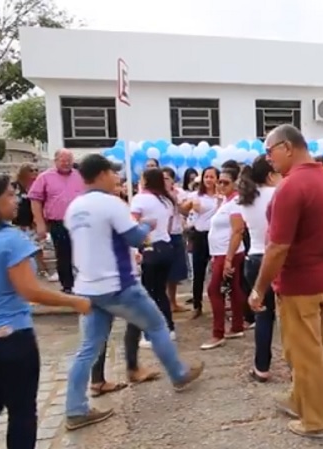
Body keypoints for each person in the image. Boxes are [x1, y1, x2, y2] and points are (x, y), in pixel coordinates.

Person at [63, 154, 204, 430]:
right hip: (118, 284)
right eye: (113, 173)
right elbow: (136, 238)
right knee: (156, 325)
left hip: (87, 287)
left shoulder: (75, 207)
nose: (117, 177)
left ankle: (74, 409)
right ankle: (178, 373)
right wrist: (147, 227)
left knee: (88, 348)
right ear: (102, 174)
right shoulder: (111, 204)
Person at [0, 173, 91, 448]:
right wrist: (75, 301)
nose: (17, 199)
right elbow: (30, 291)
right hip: (11, 338)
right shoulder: (10, 240)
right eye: (8, 194)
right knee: (21, 412)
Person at [248, 124, 323, 439]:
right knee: (310, 351)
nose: (267, 158)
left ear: (287, 147)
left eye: (269, 150)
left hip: (301, 282)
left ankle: (318, 420)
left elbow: (277, 248)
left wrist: (259, 287)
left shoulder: (291, 186)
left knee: (305, 354)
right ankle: (300, 399)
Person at [90, 178, 159, 398]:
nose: (121, 191)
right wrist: (146, 227)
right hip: (115, 280)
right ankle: (132, 369)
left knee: (102, 330)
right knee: (136, 320)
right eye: (117, 189)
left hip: (103, 279)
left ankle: (99, 379)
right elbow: (133, 237)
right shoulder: (109, 215)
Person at [237, 157, 280, 381]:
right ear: (271, 174)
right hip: (278, 258)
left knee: (263, 316)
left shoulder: (245, 198)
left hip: (253, 259)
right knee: (290, 318)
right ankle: (297, 369)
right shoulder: (277, 194)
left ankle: (261, 367)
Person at [200, 168, 247, 350]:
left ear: (235, 183)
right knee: (234, 289)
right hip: (222, 251)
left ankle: (218, 333)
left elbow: (238, 230)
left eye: (225, 182)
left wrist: (227, 259)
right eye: (219, 181)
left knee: (214, 290)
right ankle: (236, 325)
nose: (220, 185)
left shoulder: (235, 203)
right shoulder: (226, 202)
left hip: (228, 252)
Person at [131, 168, 178, 349]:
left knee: (149, 293)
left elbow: (133, 224)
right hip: (166, 246)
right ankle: (169, 328)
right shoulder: (167, 200)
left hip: (150, 247)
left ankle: (151, 334)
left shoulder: (140, 199)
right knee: (160, 291)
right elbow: (170, 226)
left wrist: (135, 248)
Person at [28, 149, 85, 293]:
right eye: (63, 160)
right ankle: (67, 286)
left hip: (80, 222)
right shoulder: (44, 177)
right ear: (56, 161)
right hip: (58, 222)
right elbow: (35, 200)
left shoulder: (80, 176)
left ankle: (83, 284)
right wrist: (39, 223)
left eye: (69, 160)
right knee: (63, 254)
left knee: (82, 253)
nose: (66, 164)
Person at [180, 166, 220, 318]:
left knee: (219, 272)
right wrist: (189, 205)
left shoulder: (221, 196)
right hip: (200, 235)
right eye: (206, 177)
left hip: (216, 236)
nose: (209, 180)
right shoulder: (196, 195)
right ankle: (197, 305)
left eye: (212, 177)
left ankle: (220, 303)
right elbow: (183, 210)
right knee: (198, 272)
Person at [12, 163, 49, 278]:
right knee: (20, 249)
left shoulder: (39, 185)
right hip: (18, 224)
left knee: (37, 248)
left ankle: (42, 269)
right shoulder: (15, 186)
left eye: (36, 170)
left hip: (33, 222)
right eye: (31, 170)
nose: (34, 173)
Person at [162, 167, 189, 313]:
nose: (164, 181)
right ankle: (163, 301)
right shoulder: (156, 195)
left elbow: (186, 211)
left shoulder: (180, 193)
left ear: (173, 180)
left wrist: (175, 200)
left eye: (166, 178)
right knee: (161, 271)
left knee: (175, 271)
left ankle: (172, 301)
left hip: (175, 233)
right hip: (161, 235)